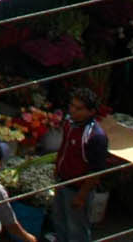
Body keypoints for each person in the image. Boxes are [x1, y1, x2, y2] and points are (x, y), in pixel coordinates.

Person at [50, 87, 111, 242]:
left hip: (77, 190)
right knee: (59, 223)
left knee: (77, 230)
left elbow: (96, 171)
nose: (73, 111)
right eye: (72, 106)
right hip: (61, 182)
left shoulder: (95, 136)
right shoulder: (69, 124)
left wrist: (81, 196)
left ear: (91, 112)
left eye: (79, 109)